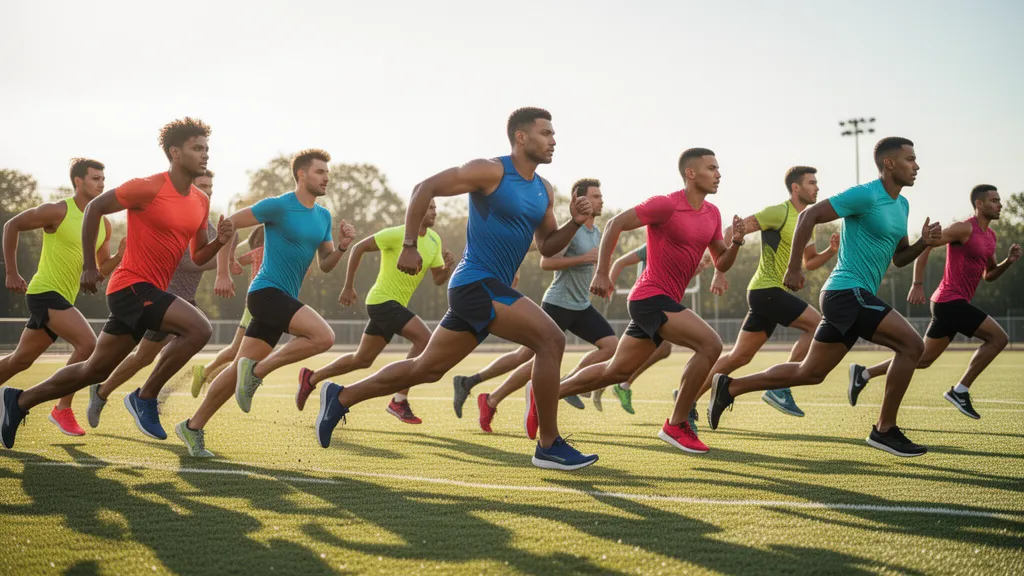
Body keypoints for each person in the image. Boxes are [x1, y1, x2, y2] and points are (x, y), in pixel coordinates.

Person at [314, 107, 600, 471]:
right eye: (546, 133)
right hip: (476, 282)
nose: (554, 140)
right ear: (521, 137)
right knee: (551, 340)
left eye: (554, 134)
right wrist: (409, 244)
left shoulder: (544, 190)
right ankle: (549, 445)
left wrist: (574, 223)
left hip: (483, 288)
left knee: (426, 369)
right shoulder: (491, 170)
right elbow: (424, 188)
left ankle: (341, 396)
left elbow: (547, 246)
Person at [1, 117, 232, 449]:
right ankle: (145, 397)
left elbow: (196, 257)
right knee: (199, 329)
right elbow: (95, 207)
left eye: (207, 149)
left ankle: (18, 402)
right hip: (130, 286)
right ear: (175, 152)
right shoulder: (148, 186)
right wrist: (89, 266)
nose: (205, 155)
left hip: (149, 292)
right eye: (197, 148)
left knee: (93, 369)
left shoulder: (200, 200)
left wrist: (220, 242)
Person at [708, 137, 941, 458]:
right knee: (913, 346)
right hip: (847, 291)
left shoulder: (902, 205)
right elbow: (808, 216)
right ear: (889, 164)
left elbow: (900, 257)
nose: (916, 166)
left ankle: (729, 387)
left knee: (810, 373)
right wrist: (793, 268)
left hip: (854, 296)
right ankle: (884, 430)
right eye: (910, 159)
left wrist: (923, 244)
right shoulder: (865, 194)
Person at [552, 147, 746, 455]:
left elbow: (721, 262)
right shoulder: (665, 205)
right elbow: (615, 223)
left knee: (614, 372)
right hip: (649, 297)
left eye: (718, 168)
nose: (718, 174)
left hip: (662, 301)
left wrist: (735, 242)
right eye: (711, 168)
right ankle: (677, 424)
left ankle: (547, 395)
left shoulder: (713, 214)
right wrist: (603, 272)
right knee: (710, 345)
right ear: (690, 173)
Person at [175, 149, 355, 458]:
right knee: (324, 336)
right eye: (320, 172)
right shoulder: (278, 205)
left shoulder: (323, 216)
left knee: (234, 370)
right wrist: (222, 272)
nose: (327, 177)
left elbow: (325, 263)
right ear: (301, 174)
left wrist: (341, 247)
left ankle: (192, 426)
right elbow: (228, 225)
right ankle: (257, 373)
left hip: (283, 297)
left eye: (327, 172)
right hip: (266, 293)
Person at [455, 178, 618, 433]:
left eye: (600, 196)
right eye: (595, 196)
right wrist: (582, 259)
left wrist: (603, 278)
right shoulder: (572, 231)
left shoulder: (596, 232)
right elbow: (546, 262)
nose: (601, 200)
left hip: (580, 304)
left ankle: (564, 382)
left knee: (610, 346)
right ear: (580, 199)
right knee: (530, 358)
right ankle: (488, 396)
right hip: (558, 302)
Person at [852, 184, 1020, 419]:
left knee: (922, 359)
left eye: (999, 200)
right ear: (979, 204)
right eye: (994, 200)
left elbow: (988, 275)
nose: (999, 204)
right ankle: (960, 391)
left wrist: (1008, 262)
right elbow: (927, 243)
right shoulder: (963, 228)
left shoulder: (991, 237)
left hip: (952, 304)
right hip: (949, 301)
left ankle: (863, 374)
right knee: (999, 338)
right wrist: (917, 283)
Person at [698, 166, 840, 419]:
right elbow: (733, 231)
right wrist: (720, 271)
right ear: (796, 188)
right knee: (817, 325)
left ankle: (687, 396)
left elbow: (809, 262)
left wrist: (830, 251)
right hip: (767, 290)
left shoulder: (807, 220)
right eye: (811, 183)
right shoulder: (778, 212)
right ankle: (781, 386)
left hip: (770, 293)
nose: (817, 187)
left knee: (739, 357)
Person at [296, 198, 454, 424]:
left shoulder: (434, 240)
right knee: (425, 340)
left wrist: (447, 269)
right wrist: (348, 286)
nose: (434, 212)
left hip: (394, 306)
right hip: (382, 301)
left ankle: (311, 378)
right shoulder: (397, 234)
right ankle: (399, 400)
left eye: (435, 208)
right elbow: (359, 248)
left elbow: (438, 279)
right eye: (429, 208)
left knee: (362, 359)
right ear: (416, 211)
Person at [86, 170, 219, 427]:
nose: (208, 191)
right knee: (144, 356)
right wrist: (221, 261)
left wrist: (228, 255)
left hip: (184, 300)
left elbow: (210, 253)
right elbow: (190, 262)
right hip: (161, 296)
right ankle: (116, 393)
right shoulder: (174, 211)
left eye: (211, 187)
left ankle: (137, 395)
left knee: (157, 352)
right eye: (203, 185)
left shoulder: (205, 222)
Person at [1, 158, 120, 436]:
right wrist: (11, 272)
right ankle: (62, 408)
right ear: (78, 181)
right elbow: (12, 226)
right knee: (88, 344)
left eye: (103, 179)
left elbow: (99, 271)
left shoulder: (103, 224)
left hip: (64, 298)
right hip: (45, 292)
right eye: (95, 178)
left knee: (20, 360)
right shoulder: (58, 211)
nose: (101, 184)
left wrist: (119, 256)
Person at [605, 246, 714, 417]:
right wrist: (608, 284)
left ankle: (616, 384)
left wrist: (695, 269)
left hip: (656, 304)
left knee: (621, 364)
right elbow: (620, 261)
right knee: (706, 345)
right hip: (646, 302)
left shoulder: (682, 251)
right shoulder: (654, 244)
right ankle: (683, 408)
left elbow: (677, 279)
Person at [191, 224, 264, 397]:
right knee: (243, 354)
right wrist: (231, 260)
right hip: (259, 305)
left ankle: (207, 374)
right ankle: (210, 377)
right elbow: (239, 261)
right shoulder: (262, 252)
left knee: (237, 352)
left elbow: (239, 261)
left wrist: (232, 261)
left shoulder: (264, 252)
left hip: (260, 305)